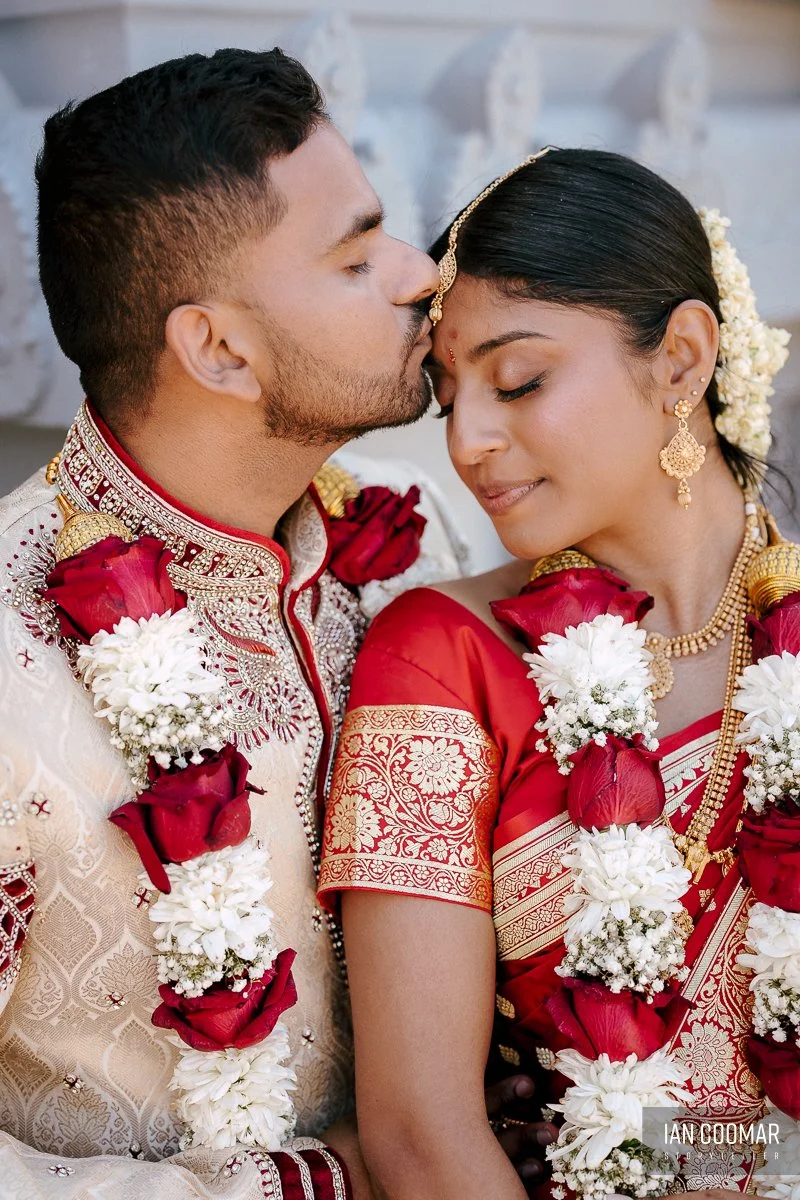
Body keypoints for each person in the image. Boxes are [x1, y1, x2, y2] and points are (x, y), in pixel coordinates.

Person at [0, 48, 550, 1200]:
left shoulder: (432, 547)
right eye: (356, 258)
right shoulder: (9, 655)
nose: (421, 273)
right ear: (218, 349)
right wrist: (294, 1190)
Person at [319, 147, 798, 1200]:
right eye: (446, 399)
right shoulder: (439, 658)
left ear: (679, 361)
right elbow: (419, 1133)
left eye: (517, 379)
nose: (469, 442)